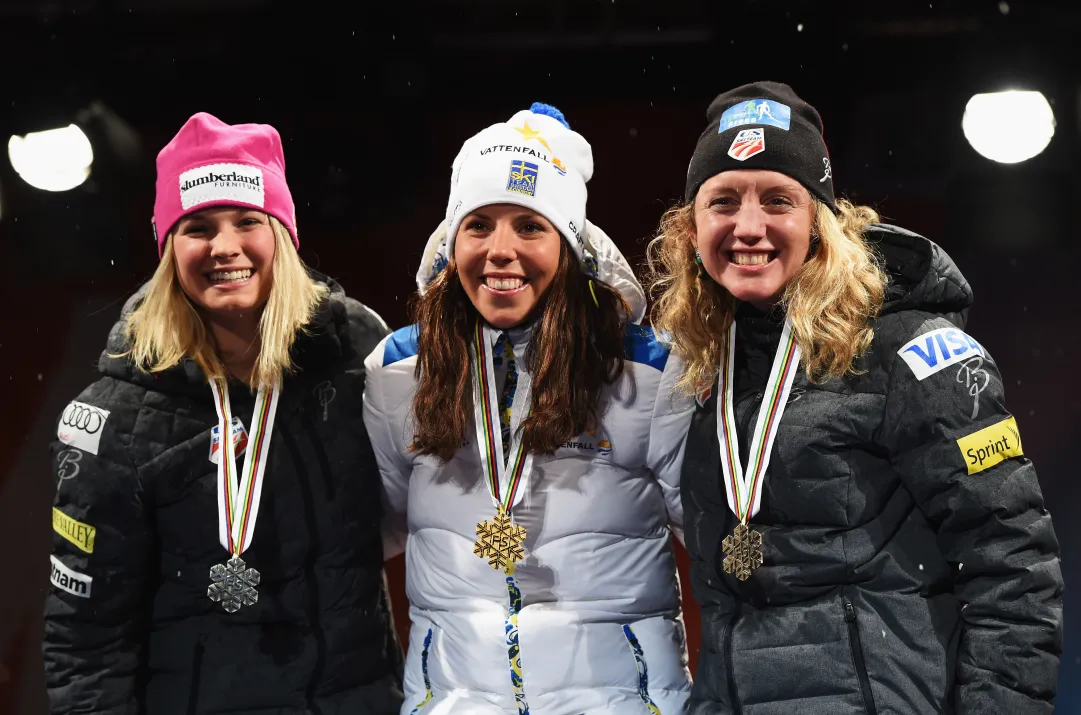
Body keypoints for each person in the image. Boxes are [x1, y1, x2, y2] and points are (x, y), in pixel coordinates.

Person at [647, 80, 1063, 714]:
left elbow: (1013, 569)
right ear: (690, 228)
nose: (748, 226)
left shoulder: (910, 351)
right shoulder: (700, 367)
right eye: (723, 201)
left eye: (778, 199)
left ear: (821, 221)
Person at [44, 112, 403, 714]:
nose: (225, 246)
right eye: (198, 227)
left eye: (247, 221)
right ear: (169, 250)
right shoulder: (116, 419)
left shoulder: (357, 361)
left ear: (282, 236)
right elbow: (86, 646)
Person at [364, 103, 694, 714]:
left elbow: (709, 535)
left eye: (530, 226)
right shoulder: (397, 372)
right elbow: (372, 532)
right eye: (479, 224)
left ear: (570, 246)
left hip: (621, 700)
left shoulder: (647, 371)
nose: (500, 250)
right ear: (451, 239)